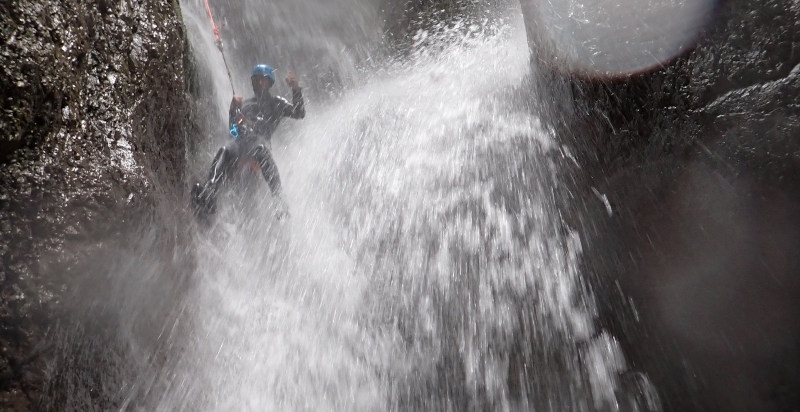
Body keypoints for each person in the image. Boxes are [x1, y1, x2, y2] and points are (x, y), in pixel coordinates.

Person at [192, 64, 305, 219]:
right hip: (241, 146)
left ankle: (278, 198)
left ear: (270, 83)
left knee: (259, 148)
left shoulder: (277, 104)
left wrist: (296, 89)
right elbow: (232, 132)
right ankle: (210, 191)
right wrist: (233, 112)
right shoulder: (245, 105)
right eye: (256, 80)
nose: (259, 84)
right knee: (225, 149)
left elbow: (299, 113)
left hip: (260, 148)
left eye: (263, 81)